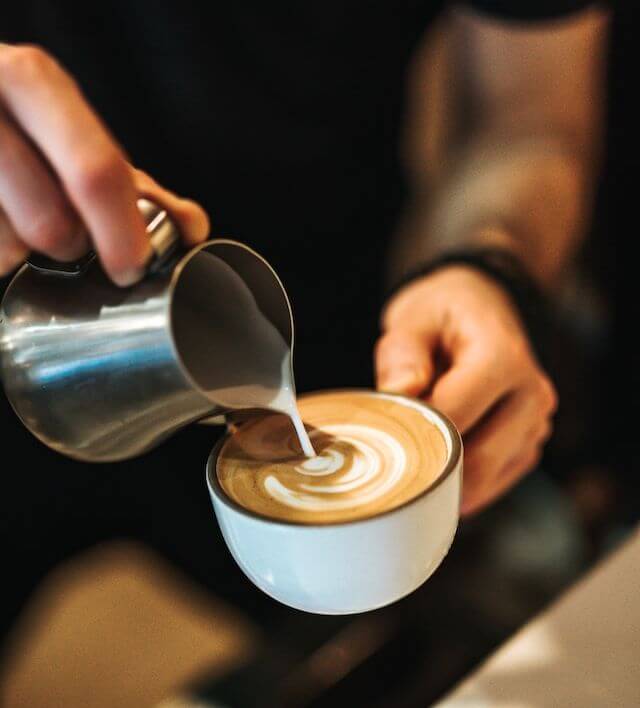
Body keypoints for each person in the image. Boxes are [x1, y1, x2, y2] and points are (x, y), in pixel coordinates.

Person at [0, 1, 608, 643]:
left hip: (341, 341)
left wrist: (483, 264)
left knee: (398, 642)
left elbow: (528, 121)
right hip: (32, 312)